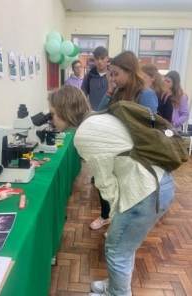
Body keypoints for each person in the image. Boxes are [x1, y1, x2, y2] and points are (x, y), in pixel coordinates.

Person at [47, 84, 174, 296]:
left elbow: (105, 183)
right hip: (160, 183)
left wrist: (114, 216)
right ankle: (114, 286)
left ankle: (118, 292)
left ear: (64, 110)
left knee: (116, 251)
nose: (51, 119)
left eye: (52, 114)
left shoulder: (84, 134)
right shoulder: (97, 117)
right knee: (124, 247)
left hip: (147, 191)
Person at [92, 51, 159, 234]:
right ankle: (110, 219)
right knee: (109, 188)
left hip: (135, 156)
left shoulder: (146, 94)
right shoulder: (119, 91)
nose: (113, 78)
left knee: (127, 195)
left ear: (129, 71)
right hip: (118, 152)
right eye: (111, 74)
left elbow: (148, 129)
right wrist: (110, 89)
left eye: (116, 74)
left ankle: (121, 227)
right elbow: (100, 113)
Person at [81, 46, 109, 111]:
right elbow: (83, 95)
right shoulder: (89, 76)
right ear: (94, 60)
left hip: (109, 114)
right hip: (93, 114)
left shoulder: (113, 75)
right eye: (97, 59)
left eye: (102, 58)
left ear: (107, 58)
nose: (99, 61)